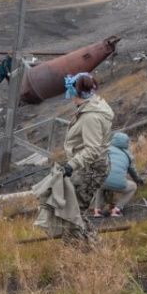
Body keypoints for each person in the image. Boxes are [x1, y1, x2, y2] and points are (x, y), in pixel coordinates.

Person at [61, 72, 115, 218]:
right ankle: (81, 240)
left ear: (75, 93)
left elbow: (92, 149)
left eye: (70, 93)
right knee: (74, 212)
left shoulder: (90, 117)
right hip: (89, 166)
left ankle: (81, 240)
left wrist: (71, 165)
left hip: (89, 170)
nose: (70, 97)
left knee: (73, 214)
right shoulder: (95, 106)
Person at [93, 132, 144, 217]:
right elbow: (133, 172)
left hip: (102, 180)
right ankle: (117, 210)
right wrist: (138, 180)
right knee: (133, 186)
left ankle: (97, 210)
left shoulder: (106, 149)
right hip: (119, 184)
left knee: (100, 183)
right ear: (126, 143)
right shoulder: (128, 155)